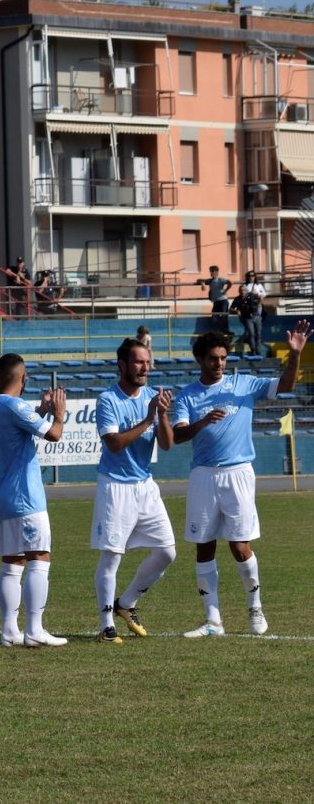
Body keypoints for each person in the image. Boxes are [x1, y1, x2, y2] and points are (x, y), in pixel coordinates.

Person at [172, 322, 309, 638]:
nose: (219, 363)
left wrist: (294, 354)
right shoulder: (188, 396)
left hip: (238, 473)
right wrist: (202, 422)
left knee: (239, 545)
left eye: (222, 358)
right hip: (204, 475)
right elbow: (178, 435)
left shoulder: (244, 384)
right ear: (200, 360)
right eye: (212, 359)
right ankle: (212, 621)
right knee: (203, 547)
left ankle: (255, 608)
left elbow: (287, 384)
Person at [92, 339, 177, 644]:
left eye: (148, 362)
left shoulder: (155, 397)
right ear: (123, 365)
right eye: (139, 362)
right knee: (111, 557)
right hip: (115, 487)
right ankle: (105, 624)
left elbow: (167, 444)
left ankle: (126, 603)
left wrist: (163, 415)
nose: (145, 368)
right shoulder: (107, 400)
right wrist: (148, 418)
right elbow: (113, 443)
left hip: (145, 486)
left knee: (167, 551)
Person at [0, 355, 68, 647]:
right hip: (25, 496)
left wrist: (40, 410)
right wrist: (57, 413)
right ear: (23, 378)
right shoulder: (14, 406)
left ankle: (9, 631)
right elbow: (54, 434)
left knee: (12, 561)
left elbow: (19, 424)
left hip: (3, 495)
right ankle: (34, 629)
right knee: (39, 557)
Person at [233, 271, 267, 355]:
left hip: (256, 309)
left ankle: (256, 347)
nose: (251, 277)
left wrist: (258, 301)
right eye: (249, 276)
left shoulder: (258, 285)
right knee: (251, 331)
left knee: (257, 332)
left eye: (253, 276)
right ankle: (253, 347)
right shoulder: (245, 286)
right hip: (247, 313)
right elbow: (242, 298)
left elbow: (263, 295)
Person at [197, 265, 232, 332]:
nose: (210, 273)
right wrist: (202, 283)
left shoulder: (220, 279)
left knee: (224, 316)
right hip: (216, 302)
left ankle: (226, 331)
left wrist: (226, 290)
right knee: (214, 318)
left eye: (212, 271)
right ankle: (218, 332)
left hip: (223, 301)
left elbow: (230, 282)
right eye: (210, 271)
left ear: (216, 272)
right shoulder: (210, 281)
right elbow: (198, 280)